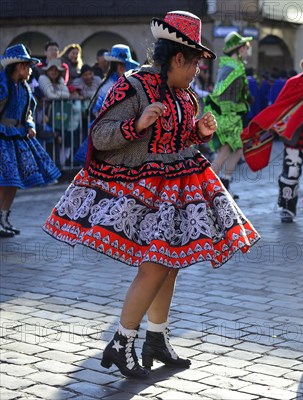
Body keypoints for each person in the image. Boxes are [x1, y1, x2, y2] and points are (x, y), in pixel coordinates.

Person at [43, 11, 260, 378]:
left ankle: (156, 338)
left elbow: (177, 137)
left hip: (181, 185)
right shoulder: (135, 86)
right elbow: (99, 136)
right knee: (156, 264)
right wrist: (136, 124)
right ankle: (121, 341)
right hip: (147, 192)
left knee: (170, 263)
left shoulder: (185, 95)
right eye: (194, 65)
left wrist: (199, 132)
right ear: (178, 59)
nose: (197, 73)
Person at [242, 43, 303, 223]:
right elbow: (281, 109)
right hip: (297, 137)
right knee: (291, 173)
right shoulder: (295, 83)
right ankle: (287, 208)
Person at [0, 44, 61, 237]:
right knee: (4, 180)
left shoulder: (24, 88)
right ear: (18, 66)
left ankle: (4, 218)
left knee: (14, 181)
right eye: (27, 65)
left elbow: (28, 114)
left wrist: (31, 125)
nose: (29, 70)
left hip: (18, 137)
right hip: (3, 137)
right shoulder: (3, 86)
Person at [203, 32, 253, 197]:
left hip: (232, 116)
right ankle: (206, 185)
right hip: (226, 116)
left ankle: (224, 182)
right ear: (238, 50)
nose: (247, 51)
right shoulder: (233, 67)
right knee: (225, 152)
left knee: (238, 150)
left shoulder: (233, 66)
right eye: (245, 48)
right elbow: (220, 92)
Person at [73, 44, 139, 164]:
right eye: (126, 66)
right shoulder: (113, 85)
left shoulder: (110, 84)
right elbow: (101, 110)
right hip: (111, 131)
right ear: (120, 67)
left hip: (112, 129)